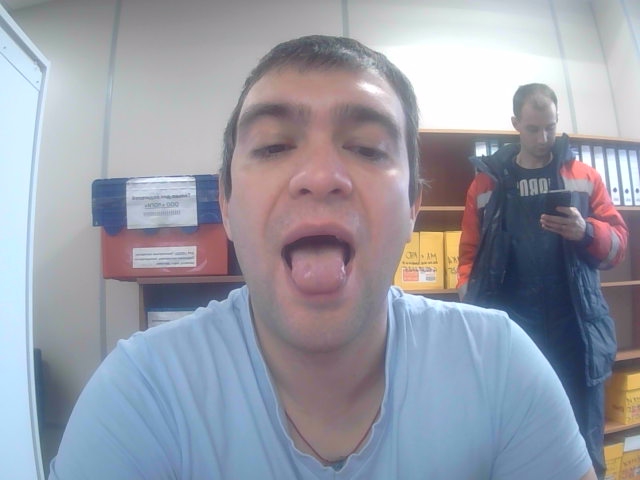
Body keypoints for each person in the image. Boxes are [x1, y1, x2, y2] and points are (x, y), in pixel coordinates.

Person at [49, 37, 597, 479]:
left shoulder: (501, 366)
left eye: (366, 148)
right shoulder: (141, 394)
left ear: (413, 206)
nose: (319, 177)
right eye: (272, 145)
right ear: (227, 205)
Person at [458, 83, 628, 479]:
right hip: (515, 336)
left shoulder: (583, 177)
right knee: (518, 445)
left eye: (550, 127)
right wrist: (472, 310)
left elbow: (618, 248)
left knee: (584, 446)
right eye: (533, 129)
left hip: (577, 335)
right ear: (515, 123)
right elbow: (468, 256)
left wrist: (586, 231)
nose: (543, 137)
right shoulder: (486, 184)